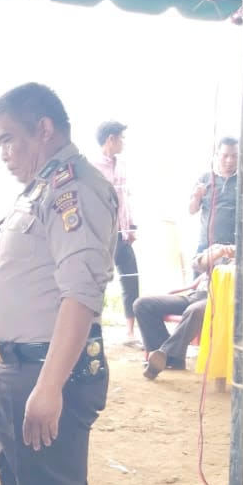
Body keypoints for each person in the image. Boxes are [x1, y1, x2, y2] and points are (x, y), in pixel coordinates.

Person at [0, 83, 116, 485]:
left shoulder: (72, 188)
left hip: (46, 372)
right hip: (16, 371)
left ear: (43, 129)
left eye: (7, 139)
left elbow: (81, 294)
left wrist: (48, 386)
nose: (3, 153)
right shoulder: (39, 189)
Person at [136, 244, 235, 380]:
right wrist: (218, 253)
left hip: (220, 299)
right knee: (142, 305)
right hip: (196, 295)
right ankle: (166, 356)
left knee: (194, 311)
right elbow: (196, 265)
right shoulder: (218, 247)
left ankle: (166, 356)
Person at [91, 121, 139, 343]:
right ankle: (93, 329)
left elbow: (125, 200)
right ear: (111, 139)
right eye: (121, 138)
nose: (124, 142)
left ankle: (130, 332)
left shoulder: (122, 166)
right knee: (97, 283)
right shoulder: (92, 167)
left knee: (131, 279)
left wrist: (131, 226)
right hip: (102, 236)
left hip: (123, 234)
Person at [188, 137, 239, 254]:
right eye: (225, 156)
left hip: (233, 249)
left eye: (234, 156)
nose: (230, 160)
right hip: (206, 247)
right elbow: (192, 210)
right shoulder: (205, 178)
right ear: (217, 154)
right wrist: (196, 197)